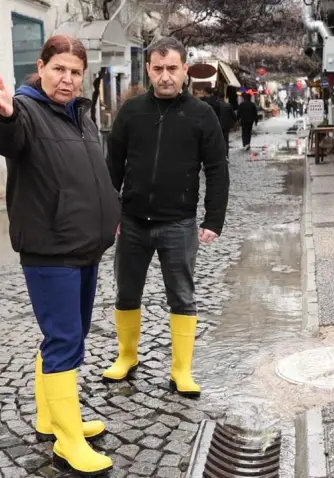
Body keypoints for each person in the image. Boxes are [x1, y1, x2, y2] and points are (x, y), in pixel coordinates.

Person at [0, 35, 120, 476]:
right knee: (64, 340)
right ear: (41, 67)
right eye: (59, 68)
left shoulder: (80, 114)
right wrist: (2, 114)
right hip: (51, 248)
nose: (67, 79)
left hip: (85, 245)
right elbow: (6, 137)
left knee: (68, 336)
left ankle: (51, 418)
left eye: (75, 72)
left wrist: (110, 212)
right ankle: (68, 441)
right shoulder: (25, 111)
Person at [104, 37, 230, 399]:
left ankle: (181, 370)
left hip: (178, 223)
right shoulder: (131, 112)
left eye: (172, 68)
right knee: (126, 291)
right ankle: (126, 356)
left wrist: (213, 219)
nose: (165, 76)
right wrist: (110, 211)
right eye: (158, 69)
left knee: (182, 296)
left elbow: (217, 169)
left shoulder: (201, 115)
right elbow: (113, 166)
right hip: (132, 222)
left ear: (185, 70)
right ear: (148, 70)